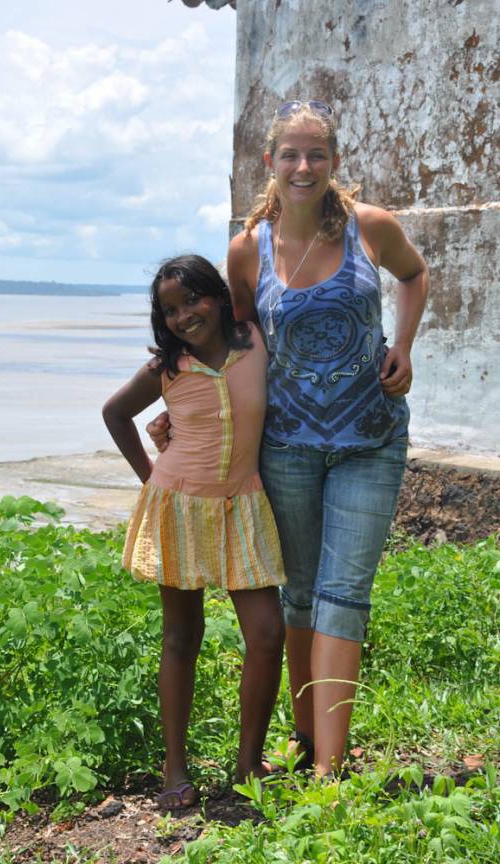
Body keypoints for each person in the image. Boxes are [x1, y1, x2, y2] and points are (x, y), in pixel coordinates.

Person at [149, 100, 429, 779]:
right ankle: (306, 740)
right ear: (268, 164)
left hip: (371, 437)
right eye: (290, 155)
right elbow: (233, 344)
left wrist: (407, 348)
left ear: (334, 161)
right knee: (301, 593)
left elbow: (414, 276)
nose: (304, 167)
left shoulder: (373, 228)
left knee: (344, 593)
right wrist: (182, 408)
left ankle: (329, 774)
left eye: (317, 155)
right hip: (289, 446)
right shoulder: (249, 250)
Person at [102, 254, 286, 810]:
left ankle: (248, 763)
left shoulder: (253, 340)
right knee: (183, 637)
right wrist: (151, 478)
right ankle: (174, 767)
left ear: (218, 295)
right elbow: (115, 414)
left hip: (242, 505)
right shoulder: (168, 366)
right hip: (179, 505)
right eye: (170, 310)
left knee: (267, 633)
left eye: (192, 300)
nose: (184, 316)